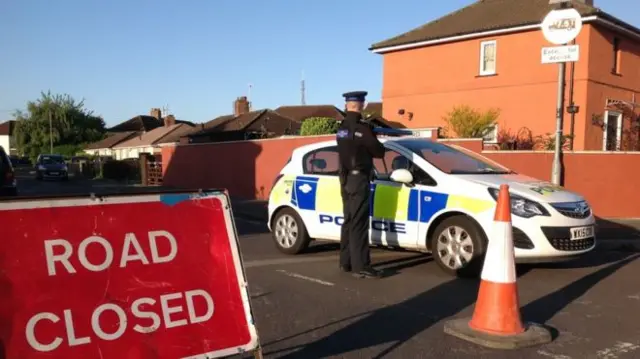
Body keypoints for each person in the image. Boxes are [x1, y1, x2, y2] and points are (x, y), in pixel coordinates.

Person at [336, 90, 386, 279]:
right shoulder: (363, 129)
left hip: (345, 178)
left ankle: (345, 261)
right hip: (358, 179)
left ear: (347, 105)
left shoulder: (341, 128)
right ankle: (361, 265)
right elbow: (379, 152)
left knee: (348, 220)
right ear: (362, 105)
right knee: (359, 222)